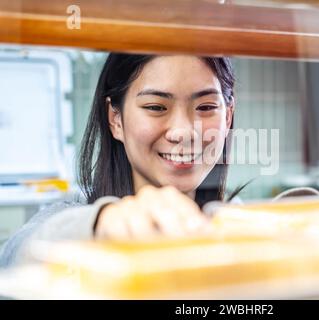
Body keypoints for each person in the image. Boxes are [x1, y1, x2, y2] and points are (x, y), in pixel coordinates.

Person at [0, 53, 240, 267]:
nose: (184, 132)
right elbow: (14, 256)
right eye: (156, 107)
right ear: (116, 120)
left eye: (206, 106)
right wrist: (102, 222)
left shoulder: (236, 219)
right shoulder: (77, 216)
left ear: (227, 117)